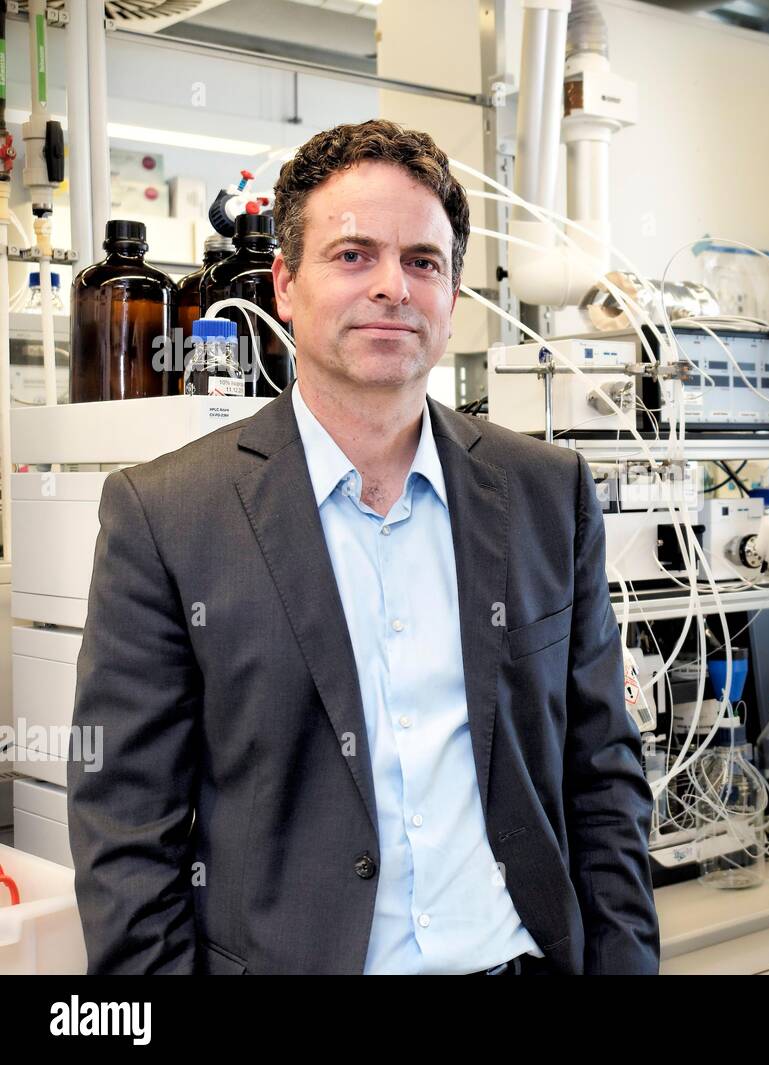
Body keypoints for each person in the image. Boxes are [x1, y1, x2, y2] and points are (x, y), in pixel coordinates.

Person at [67, 119, 660, 975]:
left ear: (452, 294)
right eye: (352, 255)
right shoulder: (166, 515)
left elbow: (604, 773)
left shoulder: (546, 493)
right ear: (283, 283)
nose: (392, 286)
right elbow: (126, 836)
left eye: (423, 260)